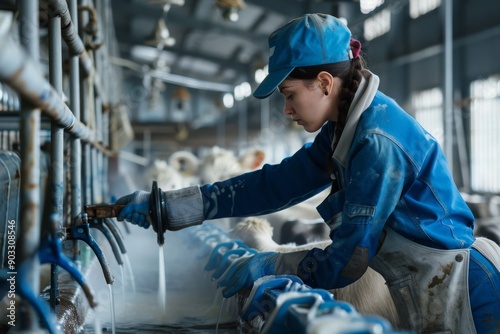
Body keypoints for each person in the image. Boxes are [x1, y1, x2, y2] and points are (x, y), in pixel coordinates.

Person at [116, 13, 500, 333]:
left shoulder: (377, 140)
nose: (287, 110)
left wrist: (269, 264)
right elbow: (273, 186)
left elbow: (349, 261)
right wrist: (169, 206)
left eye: (288, 94)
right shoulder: (343, 131)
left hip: (466, 294)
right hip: (422, 289)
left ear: (324, 83)